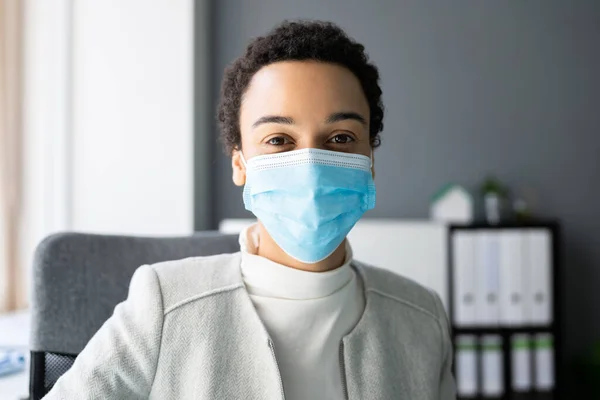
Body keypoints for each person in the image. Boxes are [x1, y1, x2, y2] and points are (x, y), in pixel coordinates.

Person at [44, 20, 456, 399]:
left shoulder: (422, 321)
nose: (310, 165)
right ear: (240, 163)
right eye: (279, 140)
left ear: (370, 159)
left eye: (341, 138)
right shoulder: (163, 305)